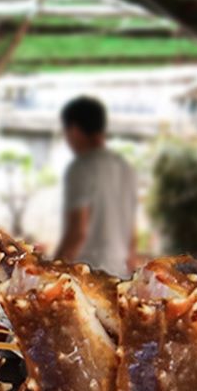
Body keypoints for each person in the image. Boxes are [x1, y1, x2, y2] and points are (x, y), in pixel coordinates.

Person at [53, 95, 137, 276]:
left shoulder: (81, 168)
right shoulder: (124, 167)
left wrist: (53, 271)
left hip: (90, 275)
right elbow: (131, 231)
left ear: (74, 131)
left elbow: (78, 233)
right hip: (121, 272)